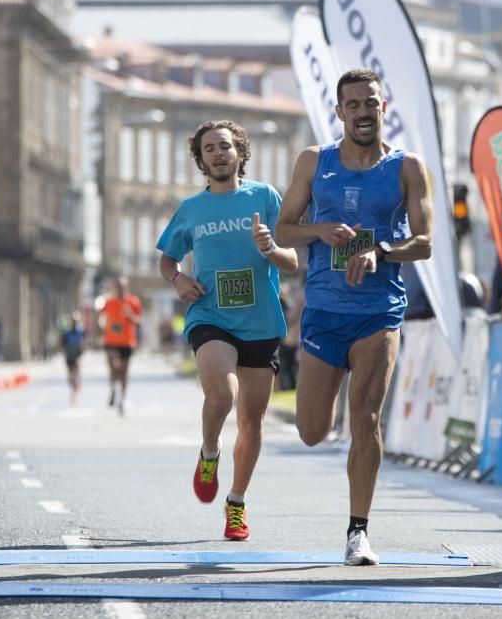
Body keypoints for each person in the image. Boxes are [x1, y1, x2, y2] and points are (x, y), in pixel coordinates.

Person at [275, 68, 433, 565]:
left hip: (379, 311)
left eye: (372, 103)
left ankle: (358, 533)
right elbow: (284, 229)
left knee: (365, 419)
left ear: (383, 108)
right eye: (354, 105)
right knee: (312, 431)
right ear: (340, 111)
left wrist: (382, 250)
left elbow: (425, 243)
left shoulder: (407, 167)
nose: (364, 112)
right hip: (323, 311)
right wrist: (319, 230)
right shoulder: (313, 162)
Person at [157, 119, 298, 541]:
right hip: (210, 315)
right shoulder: (191, 209)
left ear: (239, 152)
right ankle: (209, 452)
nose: (218, 154)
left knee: (252, 424)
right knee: (222, 394)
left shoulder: (265, 197)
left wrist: (270, 247)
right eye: (209, 149)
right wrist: (179, 280)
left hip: (260, 322)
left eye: (224, 146)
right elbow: (168, 259)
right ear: (200, 159)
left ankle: (236, 503)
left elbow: (292, 262)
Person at [99, 276, 142, 416]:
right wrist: (100, 327)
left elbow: (139, 320)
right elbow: (101, 318)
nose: (121, 289)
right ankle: (112, 389)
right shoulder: (108, 302)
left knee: (123, 372)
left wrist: (131, 316)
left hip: (127, 342)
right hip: (110, 341)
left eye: (123, 286)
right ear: (114, 287)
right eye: (118, 286)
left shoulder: (133, 301)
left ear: (126, 287)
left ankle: (122, 399)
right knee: (115, 367)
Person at [61, 312, 86, 400]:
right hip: (69, 355)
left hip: (77, 354)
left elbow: (84, 342)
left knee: (76, 370)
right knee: (70, 374)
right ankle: (73, 386)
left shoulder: (81, 331)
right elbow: (63, 344)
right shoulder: (66, 333)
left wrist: (82, 348)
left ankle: (76, 386)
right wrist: (65, 352)